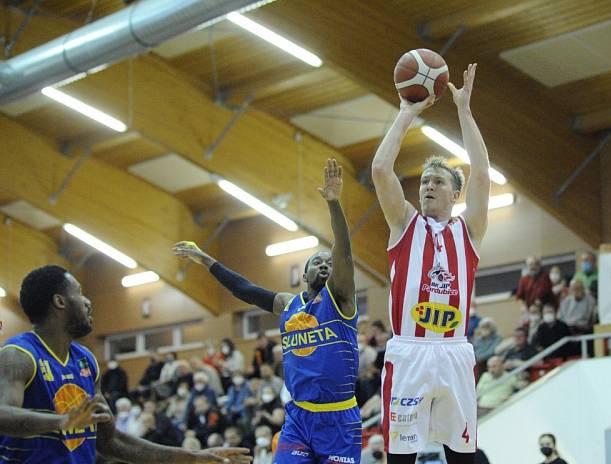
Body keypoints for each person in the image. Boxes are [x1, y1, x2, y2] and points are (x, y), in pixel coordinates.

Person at [174, 159, 361, 463]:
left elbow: (345, 251)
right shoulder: (289, 304)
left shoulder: (340, 299)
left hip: (339, 418)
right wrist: (206, 259)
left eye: (328, 261)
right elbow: (244, 289)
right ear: (304, 275)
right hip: (299, 418)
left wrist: (334, 204)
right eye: (317, 261)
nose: (325, 264)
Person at [0, 265, 250, 463]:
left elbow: (111, 442)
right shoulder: (18, 355)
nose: (87, 301)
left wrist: (191, 458)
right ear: (60, 302)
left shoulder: (86, 360)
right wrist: (60, 421)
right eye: (78, 292)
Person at [372, 63, 488, 464]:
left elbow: (483, 174)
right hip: (410, 353)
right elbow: (380, 170)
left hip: (454, 352)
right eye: (424, 181)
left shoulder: (468, 231)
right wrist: (407, 112)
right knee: (401, 459)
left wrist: (464, 110)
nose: (428, 187)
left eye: (438, 181)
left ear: (455, 193)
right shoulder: (405, 223)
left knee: (461, 457)